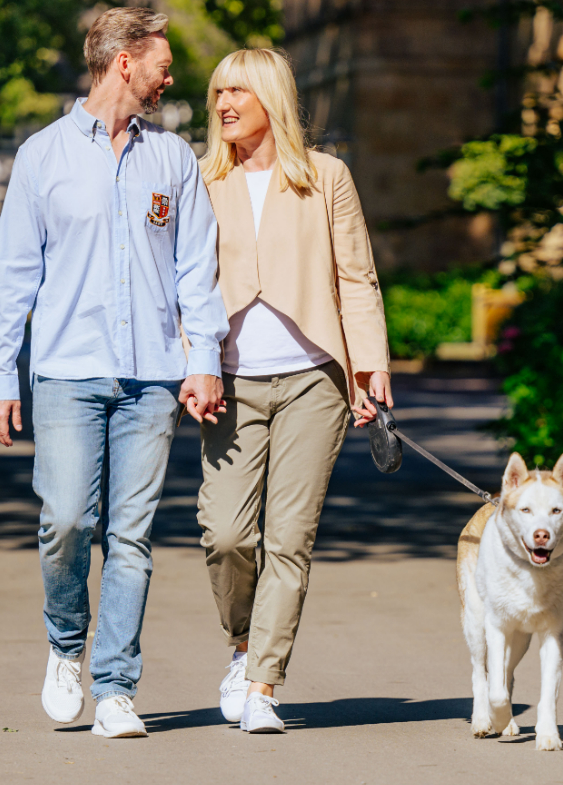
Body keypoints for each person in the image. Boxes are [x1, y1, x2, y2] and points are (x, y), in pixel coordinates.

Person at [0, 7, 229, 739]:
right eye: (162, 61)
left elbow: (197, 273)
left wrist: (203, 359)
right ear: (125, 62)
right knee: (65, 522)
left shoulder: (173, 159)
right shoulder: (43, 157)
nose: (170, 74)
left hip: (153, 377)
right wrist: (2, 373)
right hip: (66, 372)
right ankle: (66, 646)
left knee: (131, 536)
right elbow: (13, 274)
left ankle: (117, 686)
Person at [196, 48, 391, 734]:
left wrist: (369, 366)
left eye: (237, 92)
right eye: (217, 90)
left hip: (315, 381)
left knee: (289, 537)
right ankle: (243, 644)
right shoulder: (202, 180)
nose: (222, 103)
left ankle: (263, 685)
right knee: (225, 534)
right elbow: (185, 286)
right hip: (229, 382)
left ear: (271, 98)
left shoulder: (326, 178)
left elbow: (357, 277)